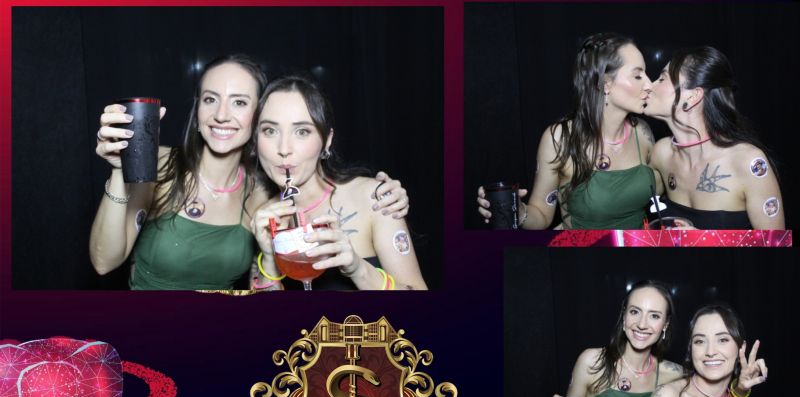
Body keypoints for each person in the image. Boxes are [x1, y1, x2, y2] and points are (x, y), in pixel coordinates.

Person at [90, 55, 409, 290]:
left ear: (257, 119)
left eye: (239, 103)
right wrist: (120, 171)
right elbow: (104, 262)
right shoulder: (158, 165)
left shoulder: (262, 195)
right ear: (197, 109)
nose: (221, 115)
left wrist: (384, 195)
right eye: (210, 99)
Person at [250, 76, 427, 290]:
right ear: (256, 139)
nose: (284, 148)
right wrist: (269, 258)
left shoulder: (376, 199)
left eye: (302, 131)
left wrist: (359, 270)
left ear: (327, 140)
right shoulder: (262, 217)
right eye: (270, 130)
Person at [477, 33, 658, 229]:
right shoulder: (559, 139)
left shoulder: (642, 133)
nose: (650, 85)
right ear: (606, 84)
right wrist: (519, 212)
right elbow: (541, 215)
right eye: (638, 76)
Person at [547, 281, 763, 397]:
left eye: (654, 316)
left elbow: (713, 396)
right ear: (624, 317)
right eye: (635, 312)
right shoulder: (593, 362)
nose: (642, 324)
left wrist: (741, 388)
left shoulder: (674, 373)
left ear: (665, 325)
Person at [644, 46, 784, 229]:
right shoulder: (662, 154)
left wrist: (705, 240)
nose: (649, 85)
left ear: (693, 96)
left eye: (662, 79)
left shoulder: (747, 162)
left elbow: (777, 242)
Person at [635, 305, 766, 397]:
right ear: (691, 349)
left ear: (741, 348)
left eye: (722, 340)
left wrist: (741, 390)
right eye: (700, 341)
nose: (710, 352)